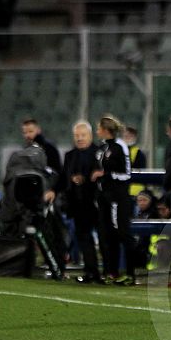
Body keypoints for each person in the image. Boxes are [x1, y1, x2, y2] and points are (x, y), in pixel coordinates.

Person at [92, 115, 135, 285]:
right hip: (104, 198)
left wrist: (106, 174)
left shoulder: (120, 146)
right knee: (107, 236)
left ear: (105, 130)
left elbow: (127, 174)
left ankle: (130, 273)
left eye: (99, 128)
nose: (97, 131)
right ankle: (112, 272)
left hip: (118, 198)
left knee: (123, 234)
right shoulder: (101, 148)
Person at [62, 120, 101, 284]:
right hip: (78, 204)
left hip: (97, 203)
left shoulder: (99, 153)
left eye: (83, 135)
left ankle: (110, 272)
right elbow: (64, 178)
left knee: (104, 238)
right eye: (77, 135)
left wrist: (85, 179)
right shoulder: (69, 156)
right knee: (84, 238)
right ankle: (91, 272)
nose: (79, 138)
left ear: (90, 136)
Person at [21, 118, 62, 182]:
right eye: (25, 133)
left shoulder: (49, 148)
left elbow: (57, 171)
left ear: (38, 130)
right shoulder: (26, 149)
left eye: (30, 131)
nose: (27, 135)